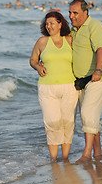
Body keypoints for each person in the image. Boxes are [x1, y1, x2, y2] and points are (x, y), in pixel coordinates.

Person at [30, 12, 78, 162]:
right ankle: (53, 159)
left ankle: (64, 158)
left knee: (68, 122)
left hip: (70, 86)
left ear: (60, 24)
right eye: (46, 24)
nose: (48, 26)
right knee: (52, 122)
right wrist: (38, 67)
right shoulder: (42, 41)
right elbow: (32, 60)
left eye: (51, 23)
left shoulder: (70, 40)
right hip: (47, 88)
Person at [68, 0, 102, 164]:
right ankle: (97, 152)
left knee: (87, 114)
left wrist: (98, 70)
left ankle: (86, 155)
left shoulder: (95, 26)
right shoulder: (74, 30)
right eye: (70, 12)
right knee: (89, 118)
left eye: (75, 13)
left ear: (85, 13)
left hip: (97, 78)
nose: (71, 16)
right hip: (80, 81)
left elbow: (101, 49)